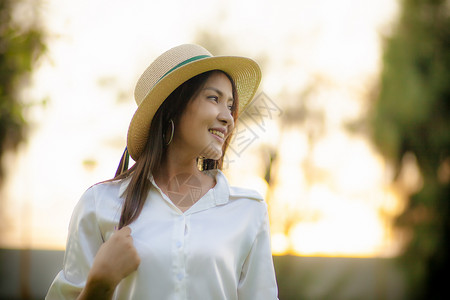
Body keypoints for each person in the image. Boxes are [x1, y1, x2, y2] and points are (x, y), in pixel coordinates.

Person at [46, 44, 279, 299]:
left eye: (230, 104)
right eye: (214, 98)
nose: (229, 117)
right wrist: (98, 285)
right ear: (173, 106)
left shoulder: (248, 210)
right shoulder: (99, 204)